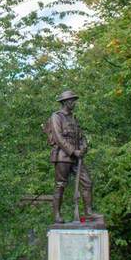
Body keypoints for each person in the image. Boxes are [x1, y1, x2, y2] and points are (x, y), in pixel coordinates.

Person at [46, 89, 93, 224]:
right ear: (65, 102)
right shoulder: (57, 117)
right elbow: (59, 138)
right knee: (60, 185)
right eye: (72, 100)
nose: (74, 103)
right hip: (63, 156)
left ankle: (88, 213)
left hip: (77, 158)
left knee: (87, 182)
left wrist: (84, 146)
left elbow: (82, 136)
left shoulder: (74, 118)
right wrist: (73, 151)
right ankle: (56, 215)